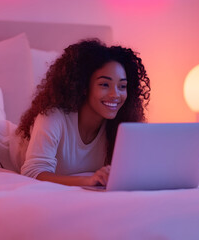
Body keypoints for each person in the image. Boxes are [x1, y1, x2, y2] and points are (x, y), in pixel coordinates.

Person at [16, 39, 150, 186]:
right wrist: (88, 180)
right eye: (104, 84)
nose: (115, 94)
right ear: (84, 86)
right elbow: (32, 173)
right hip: (0, 147)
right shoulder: (53, 116)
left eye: (122, 86)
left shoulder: (120, 126)